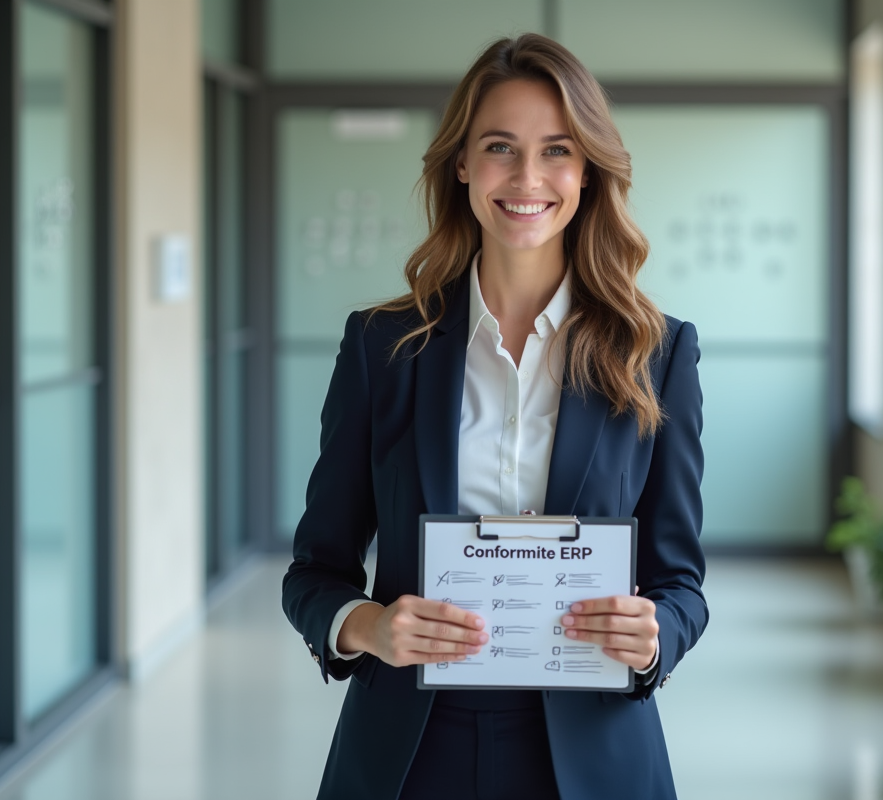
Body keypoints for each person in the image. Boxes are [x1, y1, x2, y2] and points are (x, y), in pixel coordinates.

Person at [282, 33, 708, 800]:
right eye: (501, 148)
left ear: (587, 172)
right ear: (462, 164)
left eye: (557, 151)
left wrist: (655, 637)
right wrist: (367, 627)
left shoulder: (655, 352)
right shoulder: (382, 347)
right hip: (411, 751)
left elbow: (680, 583)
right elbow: (315, 571)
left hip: (593, 751)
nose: (528, 177)